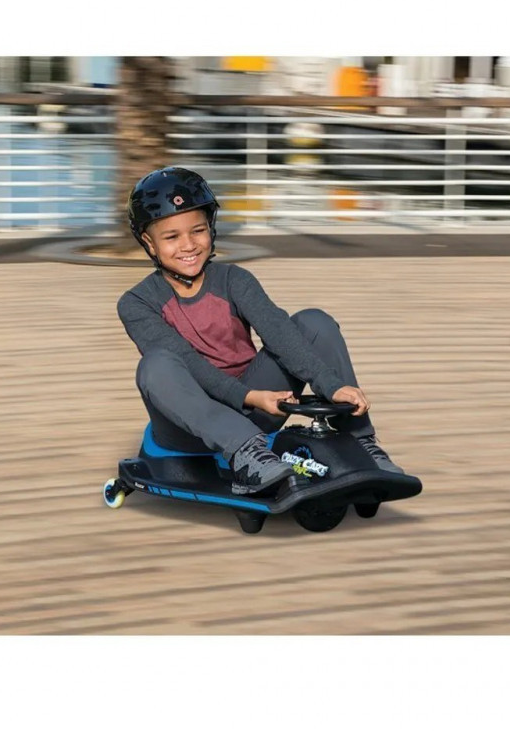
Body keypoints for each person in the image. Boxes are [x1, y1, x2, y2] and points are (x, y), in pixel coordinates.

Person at [117, 166, 403, 495]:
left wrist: (331, 385)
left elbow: (279, 332)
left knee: (313, 322)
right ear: (149, 244)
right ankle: (244, 453)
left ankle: (360, 442)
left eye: (198, 230)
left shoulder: (234, 280)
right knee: (155, 365)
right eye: (172, 237)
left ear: (211, 228)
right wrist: (250, 397)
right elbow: (190, 364)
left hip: (256, 410)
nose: (189, 245)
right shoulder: (136, 303)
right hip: (188, 426)